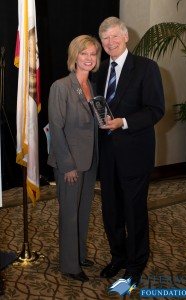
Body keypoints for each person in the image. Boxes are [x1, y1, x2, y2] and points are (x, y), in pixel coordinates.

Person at [93, 17, 165, 285]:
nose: (110, 42)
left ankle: (136, 264)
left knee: (134, 212)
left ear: (125, 37)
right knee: (110, 210)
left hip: (135, 153)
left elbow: (155, 110)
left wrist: (123, 122)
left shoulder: (147, 68)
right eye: (105, 38)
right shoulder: (99, 71)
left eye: (114, 36)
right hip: (107, 153)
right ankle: (118, 257)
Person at [47, 35, 101, 282]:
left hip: (89, 161)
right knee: (69, 213)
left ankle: (79, 253)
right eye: (84, 53)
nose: (89, 58)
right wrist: (67, 165)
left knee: (83, 210)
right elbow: (56, 129)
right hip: (70, 163)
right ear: (74, 57)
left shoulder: (93, 86)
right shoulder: (61, 86)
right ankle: (69, 265)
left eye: (93, 54)